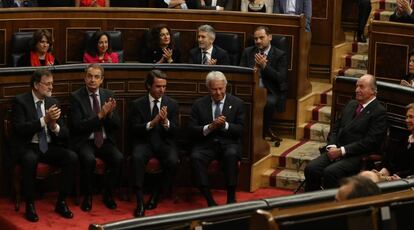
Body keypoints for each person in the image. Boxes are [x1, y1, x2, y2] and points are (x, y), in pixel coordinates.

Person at [10, 69, 77, 222]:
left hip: (48, 146)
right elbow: (20, 129)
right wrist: (44, 120)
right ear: (36, 85)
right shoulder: (20, 101)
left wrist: (53, 126)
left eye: (52, 84)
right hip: (28, 146)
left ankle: (61, 202)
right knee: (29, 160)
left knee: (71, 157)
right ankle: (30, 205)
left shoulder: (53, 102)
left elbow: (65, 133)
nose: (51, 87)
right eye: (47, 84)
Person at [304, 74, 388, 191]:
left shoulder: (379, 112)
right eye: (356, 86)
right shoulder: (351, 104)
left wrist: (342, 151)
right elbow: (335, 128)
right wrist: (332, 145)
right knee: (311, 168)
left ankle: (333, 205)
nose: (357, 90)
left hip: (356, 155)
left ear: (373, 91)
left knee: (330, 172)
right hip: (335, 149)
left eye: (361, 87)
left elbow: (370, 142)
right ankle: (310, 203)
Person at [69, 64, 124, 212]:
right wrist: (100, 115)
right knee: (88, 160)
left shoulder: (109, 94)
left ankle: (108, 195)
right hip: (85, 141)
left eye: (96, 77)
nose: (92, 80)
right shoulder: (76, 97)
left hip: (105, 141)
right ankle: (88, 196)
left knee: (118, 158)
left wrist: (110, 114)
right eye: (90, 76)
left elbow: (117, 125)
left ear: (102, 80)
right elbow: (78, 126)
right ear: (85, 77)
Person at [128, 69, 179, 217]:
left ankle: (156, 194)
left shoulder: (172, 104)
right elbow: (133, 129)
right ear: (149, 86)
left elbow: (176, 131)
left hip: (164, 143)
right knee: (137, 158)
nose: (162, 90)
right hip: (144, 142)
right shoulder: (137, 104)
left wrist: (166, 123)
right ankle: (139, 201)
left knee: (173, 161)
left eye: (164, 86)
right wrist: (152, 123)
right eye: (158, 86)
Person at [189, 71, 244, 207]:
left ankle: (231, 199)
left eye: (221, 88)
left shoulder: (237, 103)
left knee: (231, 154)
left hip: (229, 143)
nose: (218, 92)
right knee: (195, 157)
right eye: (214, 89)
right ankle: (209, 200)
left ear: (226, 87)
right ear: (208, 88)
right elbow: (192, 130)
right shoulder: (198, 104)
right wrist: (211, 127)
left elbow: (240, 130)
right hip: (206, 145)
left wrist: (224, 125)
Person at [239, 26, 288, 142]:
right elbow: (240, 72)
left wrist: (265, 67)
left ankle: (262, 132)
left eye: (261, 37)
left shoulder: (280, 54)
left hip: (270, 90)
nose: (258, 41)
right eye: (256, 39)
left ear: (270, 37)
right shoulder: (248, 52)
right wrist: (253, 70)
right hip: (250, 88)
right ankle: (245, 131)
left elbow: (281, 78)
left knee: (269, 103)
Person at [359, 103, 414, 182]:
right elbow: (390, 162)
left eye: (411, 117)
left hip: (405, 184)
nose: (407, 120)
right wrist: (381, 173)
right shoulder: (404, 139)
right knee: (365, 176)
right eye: (406, 117)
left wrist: (402, 179)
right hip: (390, 179)